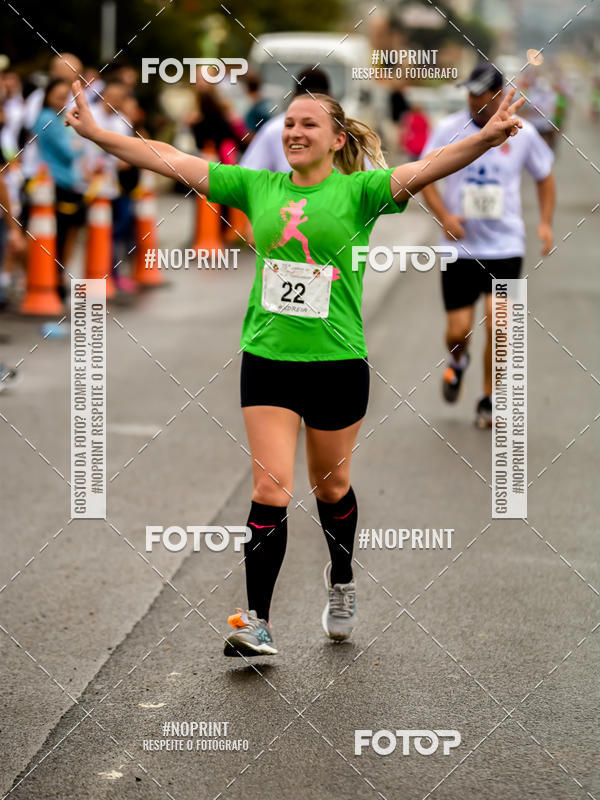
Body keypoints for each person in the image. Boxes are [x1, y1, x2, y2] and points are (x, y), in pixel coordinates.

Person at [66, 77, 526, 657]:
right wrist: (98, 134)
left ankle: (341, 579)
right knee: (270, 486)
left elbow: (430, 165)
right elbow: (170, 160)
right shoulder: (257, 187)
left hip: (337, 362)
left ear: (337, 139)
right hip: (268, 358)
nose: (294, 132)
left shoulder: (361, 192)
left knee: (331, 487)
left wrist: (485, 139)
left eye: (309, 124)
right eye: (288, 124)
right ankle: (257, 621)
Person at [420, 64, 555, 428]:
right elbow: (423, 174)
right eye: (469, 91)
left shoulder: (521, 133)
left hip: (505, 245)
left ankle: (489, 399)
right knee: (457, 332)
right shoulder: (448, 128)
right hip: (459, 248)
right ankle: (458, 361)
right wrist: (444, 216)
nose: (473, 98)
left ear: (497, 94)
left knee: (499, 323)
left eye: (480, 92)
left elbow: (544, 177)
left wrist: (544, 223)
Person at [32, 78, 86, 300]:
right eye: (57, 95)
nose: (61, 99)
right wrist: (77, 145)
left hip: (67, 182)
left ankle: (57, 278)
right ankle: (54, 280)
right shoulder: (47, 118)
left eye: (65, 96)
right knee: (58, 235)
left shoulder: (56, 118)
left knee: (67, 234)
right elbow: (70, 152)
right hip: (56, 183)